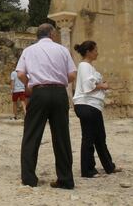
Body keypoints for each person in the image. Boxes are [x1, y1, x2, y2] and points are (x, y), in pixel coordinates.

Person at [16, 23, 77, 189]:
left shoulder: (29, 51)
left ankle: (29, 179)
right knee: (62, 137)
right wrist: (60, 80)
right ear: (51, 34)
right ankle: (65, 179)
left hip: (39, 93)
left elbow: (20, 73)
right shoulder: (62, 50)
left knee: (31, 134)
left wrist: (29, 84)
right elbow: (72, 74)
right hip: (59, 93)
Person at [72, 40, 116, 178]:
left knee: (100, 137)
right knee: (89, 137)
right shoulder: (84, 66)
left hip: (93, 105)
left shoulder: (89, 67)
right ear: (89, 52)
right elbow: (88, 85)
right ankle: (87, 170)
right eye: (95, 50)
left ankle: (109, 166)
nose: (97, 52)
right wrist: (103, 86)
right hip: (86, 104)